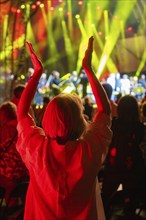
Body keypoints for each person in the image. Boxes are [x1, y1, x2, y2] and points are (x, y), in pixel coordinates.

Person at [16, 36, 112, 220]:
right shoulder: (89, 151)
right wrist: (89, 70)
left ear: (48, 119)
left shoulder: (37, 150)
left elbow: (21, 114)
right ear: (79, 119)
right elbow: (105, 111)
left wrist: (36, 74)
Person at [102, 94, 146, 218]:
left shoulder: (113, 125)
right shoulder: (140, 128)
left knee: (106, 198)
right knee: (131, 203)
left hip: (113, 167)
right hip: (135, 171)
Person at [0, 101, 29, 204]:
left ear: (3, 115)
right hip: (25, 171)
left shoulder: (4, 130)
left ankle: (9, 210)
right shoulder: (24, 129)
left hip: (8, 173)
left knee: (8, 184)